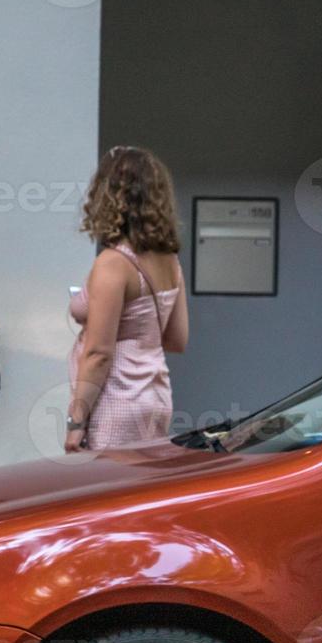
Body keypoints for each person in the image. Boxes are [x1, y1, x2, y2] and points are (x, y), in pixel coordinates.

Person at [66, 146, 190, 452]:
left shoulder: (113, 263)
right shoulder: (170, 262)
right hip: (156, 397)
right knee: (143, 492)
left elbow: (99, 353)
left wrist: (76, 421)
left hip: (117, 401)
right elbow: (177, 340)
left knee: (105, 494)